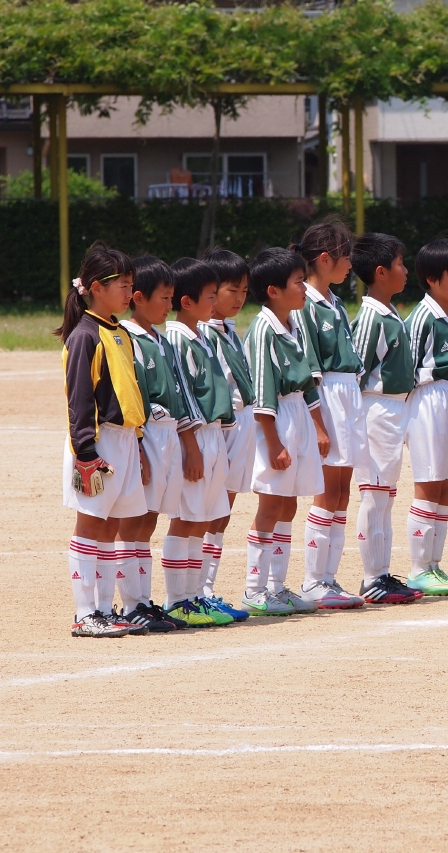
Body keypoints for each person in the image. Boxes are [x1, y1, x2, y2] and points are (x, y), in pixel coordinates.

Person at [57, 242, 148, 638]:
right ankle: (84, 613)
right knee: (90, 525)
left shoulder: (120, 332)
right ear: (96, 287)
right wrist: (86, 452)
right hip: (98, 443)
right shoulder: (84, 335)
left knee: (111, 527)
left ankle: (105, 609)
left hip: (125, 440)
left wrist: (138, 443)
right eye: (122, 285)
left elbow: (130, 394)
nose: (130, 293)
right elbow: (79, 399)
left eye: (131, 284)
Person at [241, 247, 330, 616]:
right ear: (274, 291)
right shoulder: (263, 329)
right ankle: (255, 589)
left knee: (289, 503)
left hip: (297, 415)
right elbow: (262, 393)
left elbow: (307, 382)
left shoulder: (295, 324)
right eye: (298, 282)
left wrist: (319, 428)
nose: (305, 289)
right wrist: (274, 444)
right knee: (271, 504)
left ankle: (278, 587)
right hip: (275, 420)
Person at [117, 256, 194, 633]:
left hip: (168, 436)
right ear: (138, 298)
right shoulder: (129, 338)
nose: (169, 304)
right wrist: (139, 448)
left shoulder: (162, 340)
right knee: (133, 521)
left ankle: (144, 601)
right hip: (146, 433)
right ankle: (131, 603)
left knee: (149, 522)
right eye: (164, 297)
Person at [296, 218, 368, 610]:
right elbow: (308, 369)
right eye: (346, 255)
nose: (351, 263)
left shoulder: (336, 302)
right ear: (325, 259)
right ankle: (313, 580)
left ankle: (329, 577)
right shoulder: (305, 304)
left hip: (347, 394)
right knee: (326, 491)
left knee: (342, 491)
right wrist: (319, 425)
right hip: (326, 395)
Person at [351, 233, 422, 605]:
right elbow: (356, 371)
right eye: (399, 264)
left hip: (394, 410)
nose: (405, 270)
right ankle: (372, 577)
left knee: (386, 496)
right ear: (380, 272)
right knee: (374, 495)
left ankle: (381, 573)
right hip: (375, 409)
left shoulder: (390, 312)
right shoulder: (370, 317)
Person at [164, 259, 236, 627]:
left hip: (212, 434)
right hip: (194, 436)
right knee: (185, 519)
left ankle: (193, 597)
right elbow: (181, 397)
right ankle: (177, 600)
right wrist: (191, 446)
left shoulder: (201, 335)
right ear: (187, 301)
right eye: (210, 296)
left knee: (202, 518)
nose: (215, 302)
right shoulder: (177, 339)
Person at [404, 240, 448, 597]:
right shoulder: (422, 318)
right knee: (429, 482)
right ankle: (418, 568)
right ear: (432, 279)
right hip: (429, 398)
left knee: (446, 484)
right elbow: (407, 370)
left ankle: (434, 564)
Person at [197, 247, 256, 621]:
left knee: (224, 511)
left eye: (244, 290)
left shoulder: (230, 331)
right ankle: (195, 590)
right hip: (222, 428)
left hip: (241, 427)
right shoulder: (204, 334)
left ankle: (207, 588)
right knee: (209, 510)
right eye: (232, 290)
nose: (239, 298)